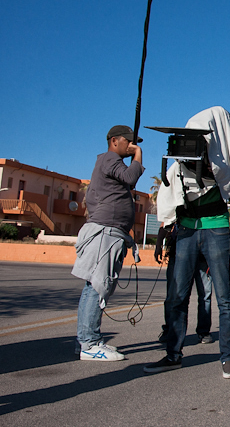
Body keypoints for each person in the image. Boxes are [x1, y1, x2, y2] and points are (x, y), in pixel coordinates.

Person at [144, 107, 230, 379]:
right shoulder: (178, 165)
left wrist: (227, 172)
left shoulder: (229, 165)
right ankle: (173, 355)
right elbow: (167, 203)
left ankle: (228, 357)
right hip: (186, 231)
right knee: (177, 295)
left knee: (224, 297)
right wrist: (161, 239)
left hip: (216, 229)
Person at [72, 125, 145, 361]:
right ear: (115, 140)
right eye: (129, 142)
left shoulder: (109, 162)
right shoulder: (110, 160)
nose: (132, 146)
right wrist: (139, 155)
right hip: (105, 233)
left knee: (96, 286)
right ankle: (89, 344)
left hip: (110, 233)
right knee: (98, 286)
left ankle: (87, 340)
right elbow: (131, 177)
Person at [154, 223, 214, 345]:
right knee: (173, 294)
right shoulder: (179, 205)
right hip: (178, 253)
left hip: (203, 258)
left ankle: (203, 331)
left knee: (205, 295)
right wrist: (159, 244)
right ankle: (170, 330)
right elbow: (166, 221)